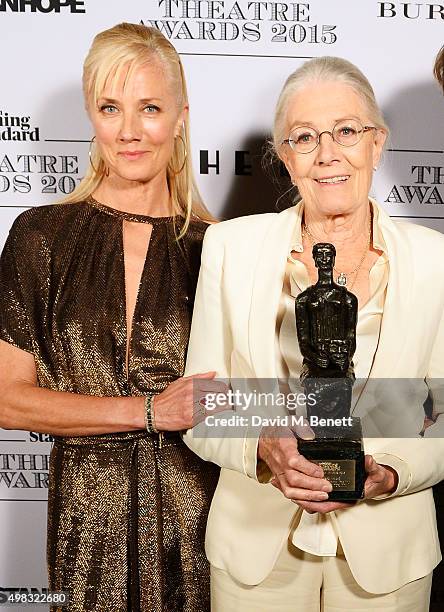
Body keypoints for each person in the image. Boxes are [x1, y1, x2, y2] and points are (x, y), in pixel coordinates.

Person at [183, 56, 444, 610]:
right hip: (256, 551)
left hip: (387, 555)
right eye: (305, 137)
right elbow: (201, 402)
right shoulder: (231, 248)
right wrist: (262, 446)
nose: (329, 154)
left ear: (377, 143)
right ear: (285, 158)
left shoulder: (435, 260)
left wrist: (393, 473)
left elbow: (442, 408)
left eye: (347, 131)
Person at [0, 22, 220, 612]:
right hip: (84, 527)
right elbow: (8, 399)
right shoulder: (40, 237)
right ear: (90, 115)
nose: (129, 131)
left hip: (201, 521)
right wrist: (148, 411)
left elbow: (250, 398)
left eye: (149, 108)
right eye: (109, 107)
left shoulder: (222, 248)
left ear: (180, 117)